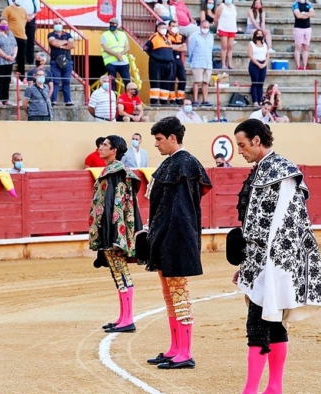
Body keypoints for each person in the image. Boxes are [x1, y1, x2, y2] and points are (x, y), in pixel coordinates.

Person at [230, 119, 321, 394]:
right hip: (259, 261)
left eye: (242, 144)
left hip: (273, 262)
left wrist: (270, 269)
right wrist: (246, 263)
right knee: (272, 324)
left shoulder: (282, 172)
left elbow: (285, 226)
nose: (240, 151)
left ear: (257, 141)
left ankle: (251, 390)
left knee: (258, 325)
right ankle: (274, 388)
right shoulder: (263, 170)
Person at [145, 116, 212, 370]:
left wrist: (171, 240)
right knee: (170, 297)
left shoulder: (185, 163)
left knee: (180, 296)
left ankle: (186, 352)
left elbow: (182, 211)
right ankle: (175, 348)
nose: (156, 144)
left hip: (175, 239)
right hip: (165, 238)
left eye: (159, 139)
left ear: (173, 138)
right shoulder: (173, 163)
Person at [89, 135, 143, 334]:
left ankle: (128, 318)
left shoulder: (116, 172)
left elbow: (116, 204)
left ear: (114, 150)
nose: (101, 147)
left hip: (114, 229)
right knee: (116, 271)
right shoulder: (114, 171)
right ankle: (123, 317)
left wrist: (113, 233)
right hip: (113, 228)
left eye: (105, 145)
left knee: (121, 271)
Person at [144, 22, 174, 106]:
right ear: (158, 29)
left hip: (168, 64)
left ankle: (163, 101)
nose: (164, 30)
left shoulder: (167, 37)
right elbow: (145, 48)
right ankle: (154, 102)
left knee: (166, 83)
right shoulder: (154, 37)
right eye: (162, 28)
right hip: (156, 64)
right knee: (156, 82)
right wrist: (154, 56)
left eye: (165, 28)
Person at [0, 18, 17, 106]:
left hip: (10, 61)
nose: (5, 25)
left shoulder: (10, 34)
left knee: (7, 79)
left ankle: (6, 99)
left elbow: (15, 45)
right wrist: (5, 56)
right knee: (0, 79)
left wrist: (13, 56)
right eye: (3, 23)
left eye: (6, 23)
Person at [187, 20, 214, 107]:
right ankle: (195, 100)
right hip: (197, 62)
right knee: (197, 81)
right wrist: (192, 60)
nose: (205, 29)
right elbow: (190, 49)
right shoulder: (194, 36)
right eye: (204, 27)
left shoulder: (211, 36)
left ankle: (205, 100)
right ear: (200, 27)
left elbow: (210, 49)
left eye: (207, 27)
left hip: (208, 62)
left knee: (206, 82)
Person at [48, 23, 74, 106]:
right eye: (56, 23)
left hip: (67, 61)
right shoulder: (51, 34)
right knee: (55, 81)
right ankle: (53, 101)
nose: (58, 24)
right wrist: (66, 42)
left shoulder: (68, 34)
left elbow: (72, 45)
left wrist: (60, 45)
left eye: (59, 23)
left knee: (66, 81)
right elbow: (53, 43)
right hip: (55, 61)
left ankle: (68, 101)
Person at [101, 18, 130, 91]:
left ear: (117, 25)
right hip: (111, 62)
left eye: (113, 24)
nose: (111, 25)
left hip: (123, 62)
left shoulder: (123, 34)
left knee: (127, 81)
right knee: (111, 82)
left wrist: (120, 54)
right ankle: (112, 99)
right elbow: (106, 48)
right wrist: (117, 55)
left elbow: (127, 47)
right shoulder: (105, 34)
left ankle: (127, 99)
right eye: (110, 23)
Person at [0, 0, 27, 79]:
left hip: (22, 36)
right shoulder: (8, 9)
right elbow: (2, 21)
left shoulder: (23, 10)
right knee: (10, 56)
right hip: (11, 36)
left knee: (22, 57)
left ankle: (21, 77)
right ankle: (7, 76)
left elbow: (25, 21)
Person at [167, 20, 187, 105]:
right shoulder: (166, 36)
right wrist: (179, 46)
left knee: (183, 78)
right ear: (169, 27)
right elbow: (168, 47)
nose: (175, 27)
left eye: (176, 26)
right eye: (173, 26)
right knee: (172, 79)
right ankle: (172, 99)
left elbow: (184, 48)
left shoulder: (180, 37)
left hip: (179, 60)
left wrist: (174, 46)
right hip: (171, 59)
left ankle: (180, 98)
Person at [248, 29, 269, 106]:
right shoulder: (251, 43)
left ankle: (260, 101)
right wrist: (258, 64)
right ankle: (255, 101)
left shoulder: (265, 44)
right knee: (255, 83)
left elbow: (267, 55)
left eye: (261, 34)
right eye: (258, 34)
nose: (260, 35)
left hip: (263, 64)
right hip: (254, 64)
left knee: (261, 83)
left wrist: (264, 64)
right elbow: (250, 55)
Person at [214, 0, 237, 70]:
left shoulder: (234, 7)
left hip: (232, 29)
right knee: (224, 47)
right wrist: (218, 27)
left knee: (230, 47)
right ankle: (223, 64)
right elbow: (215, 18)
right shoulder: (221, 6)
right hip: (223, 29)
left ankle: (229, 63)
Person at [292, 0, 314, 70]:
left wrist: (303, 14)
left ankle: (304, 66)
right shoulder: (295, 4)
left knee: (306, 47)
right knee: (298, 47)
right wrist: (308, 14)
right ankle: (298, 66)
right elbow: (298, 15)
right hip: (299, 28)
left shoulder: (308, 3)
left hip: (307, 28)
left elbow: (313, 13)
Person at [21, 0, 39, 66]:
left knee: (30, 40)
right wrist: (25, 17)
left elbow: (37, 8)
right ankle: (20, 60)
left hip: (31, 18)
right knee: (20, 40)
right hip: (19, 18)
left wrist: (31, 17)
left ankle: (30, 61)